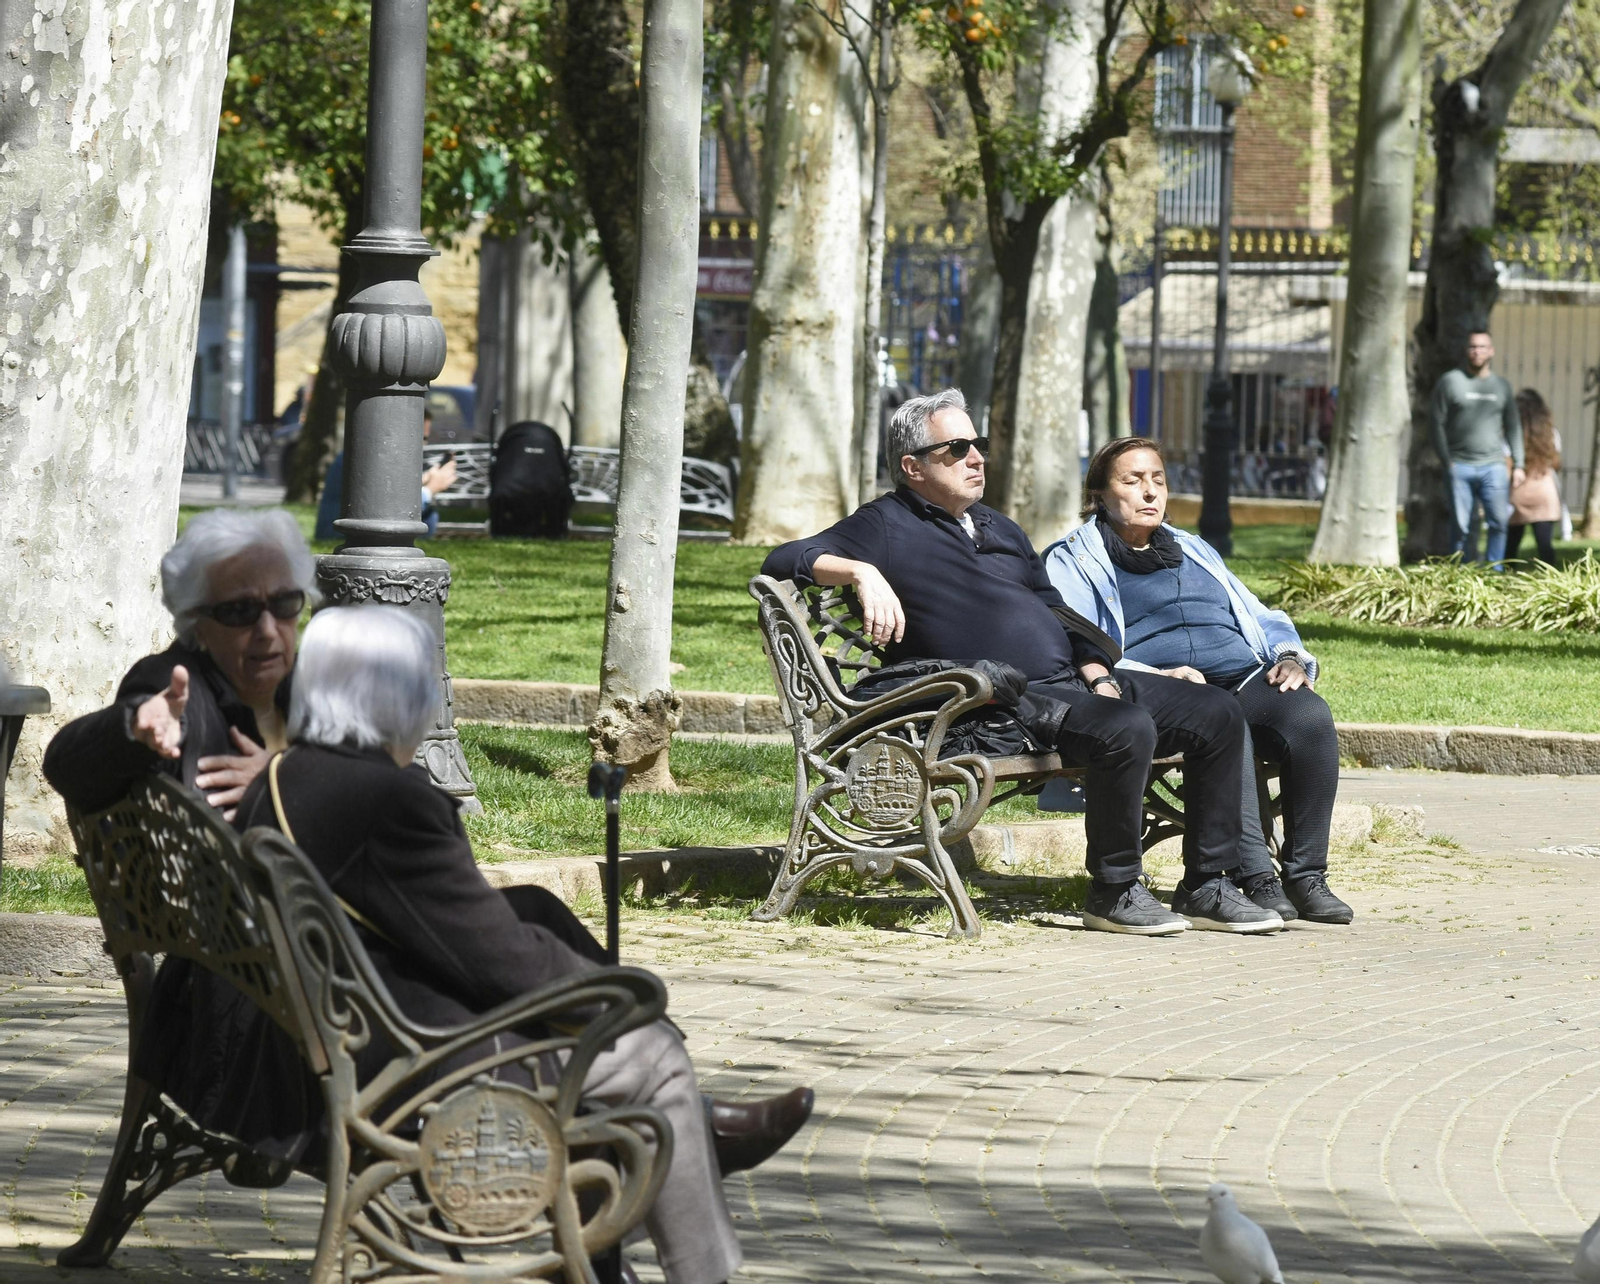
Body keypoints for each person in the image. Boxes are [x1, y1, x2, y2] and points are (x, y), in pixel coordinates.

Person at [231, 605, 810, 1284]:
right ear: (397, 698)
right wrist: (614, 1002)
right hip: (410, 1060)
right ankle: (700, 1265)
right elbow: (495, 959)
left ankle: (603, 1246)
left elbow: (449, 926)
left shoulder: (281, 778)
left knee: (540, 915)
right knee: (653, 1056)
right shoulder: (386, 802)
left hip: (336, 1033)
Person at [761, 388, 1281, 937]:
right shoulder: (885, 525)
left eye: (977, 445)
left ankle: (1207, 886)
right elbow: (784, 559)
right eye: (956, 449)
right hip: (989, 699)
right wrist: (861, 572)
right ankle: (1115, 892)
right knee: (1124, 727)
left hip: (1069, 684)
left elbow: (1056, 612)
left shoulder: (999, 526)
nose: (976, 458)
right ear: (913, 466)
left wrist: (1098, 673)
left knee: (1215, 711)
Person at [1044, 438, 1353, 926]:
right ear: (1099, 494)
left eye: (1158, 480)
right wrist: (1158, 676)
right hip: (1164, 691)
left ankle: (1307, 875)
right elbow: (1078, 641)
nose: (1150, 491)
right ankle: (1258, 879)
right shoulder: (1075, 559)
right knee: (1223, 721)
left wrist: (1290, 655)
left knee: (1310, 716)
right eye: (1132, 480)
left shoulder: (1193, 548)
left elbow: (1260, 614)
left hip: (1245, 675)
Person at [43, 508, 316, 819]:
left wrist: (281, 777)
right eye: (240, 610)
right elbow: (64, 768)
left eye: (284, 603)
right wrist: (131, 728)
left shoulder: (319, 686)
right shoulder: (173, 686)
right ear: (196, 623)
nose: (267, 630)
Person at [1429, 330, 1523, 566]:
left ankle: (1494, 571)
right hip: (1459, 466)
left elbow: (1513, 427)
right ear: (1466, 351)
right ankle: (1461, 572)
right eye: (1472, 347)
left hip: (1494, 466)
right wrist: (1446, 460)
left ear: (1491, 351)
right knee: (1461, 527)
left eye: (1482, 347)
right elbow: (1435, 422)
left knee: (1499, 522)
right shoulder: (1450, 382)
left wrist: (1519, 464)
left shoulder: (1501, 386)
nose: (1477, 351)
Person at [314, 405, 456, 541]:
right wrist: (430, 490)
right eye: (421, 438)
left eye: (425, 439)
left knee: (430, 513)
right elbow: (388, 512)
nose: (424, 445)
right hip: (336, 536)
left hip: (358, 535)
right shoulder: (368, 458)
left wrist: (424, 481)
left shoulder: (383, 456)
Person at [1508, 387, 1563, 566]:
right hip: (1544, 490)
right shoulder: (1551, 433)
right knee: (1545, 547)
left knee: (1511, 547)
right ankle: (1552, 579)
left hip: (1518, 490)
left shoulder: (1510, 433)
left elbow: (1506, 464)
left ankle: (1505, 578)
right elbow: (1556, 463)